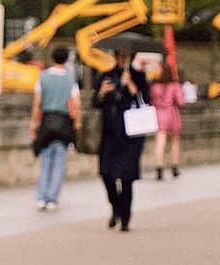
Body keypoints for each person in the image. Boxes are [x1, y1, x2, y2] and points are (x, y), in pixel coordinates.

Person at [93, 48, 150, 232]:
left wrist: (131, 86)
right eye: (119, 55)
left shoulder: (139, 77)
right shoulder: (106, 76)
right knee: (106, 173)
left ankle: (125, 218)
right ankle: (116, 206)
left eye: (125, 55)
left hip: (131, 136)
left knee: (126, 178)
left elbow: (146, 101)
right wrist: (102, 93)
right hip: (109, 133)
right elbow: (95, 102)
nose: (122, 58)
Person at [29, 45, 82, 211]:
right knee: (59, 162)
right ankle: (52, 198)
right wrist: (78, 123)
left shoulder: (43, 77)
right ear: (66, 59)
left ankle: (41, 197)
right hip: (64, 123)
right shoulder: (69, 79)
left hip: (47, 121)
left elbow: (37, 102)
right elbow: (77, 103)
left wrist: (33, 122)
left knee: (45, 161)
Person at [149, 61, 185, 179]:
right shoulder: (174, 85)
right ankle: (174, 166)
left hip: (159, 114)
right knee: (175, 141)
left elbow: (151, 100)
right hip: (172, 114)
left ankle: (159, 167)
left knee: (160, 141)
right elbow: (181, 101)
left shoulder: (154, 86)